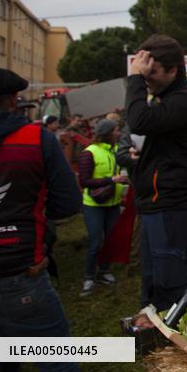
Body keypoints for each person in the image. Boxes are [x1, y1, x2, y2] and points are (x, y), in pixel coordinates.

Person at [0, 68, 82, 372]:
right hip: (20, 273)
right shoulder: (37, 139)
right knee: (56, 362)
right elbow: (67, 204)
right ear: (12, 101)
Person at [125, 34, 187, 312]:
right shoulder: (165, 98)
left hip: (174, 204)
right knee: (152, 280)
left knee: (170, 284)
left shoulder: (185, 99)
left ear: (173, 70)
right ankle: (151, 328)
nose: (146, 76)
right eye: (142, 70)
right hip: (158, 203)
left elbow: (138, 121)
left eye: (152, 71)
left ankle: (173, 339)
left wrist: (134, 79)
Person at [77, 118, 129, 297]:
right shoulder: (89, 153)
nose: (119, 133)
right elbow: (84, 181)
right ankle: (89, 277)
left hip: (112, 204)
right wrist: (111, 180)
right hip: (94, 206)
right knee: (96, 241)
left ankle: (104, 271)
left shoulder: (116, 151)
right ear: (107, 133)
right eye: (116, 130)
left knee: (110, 240)